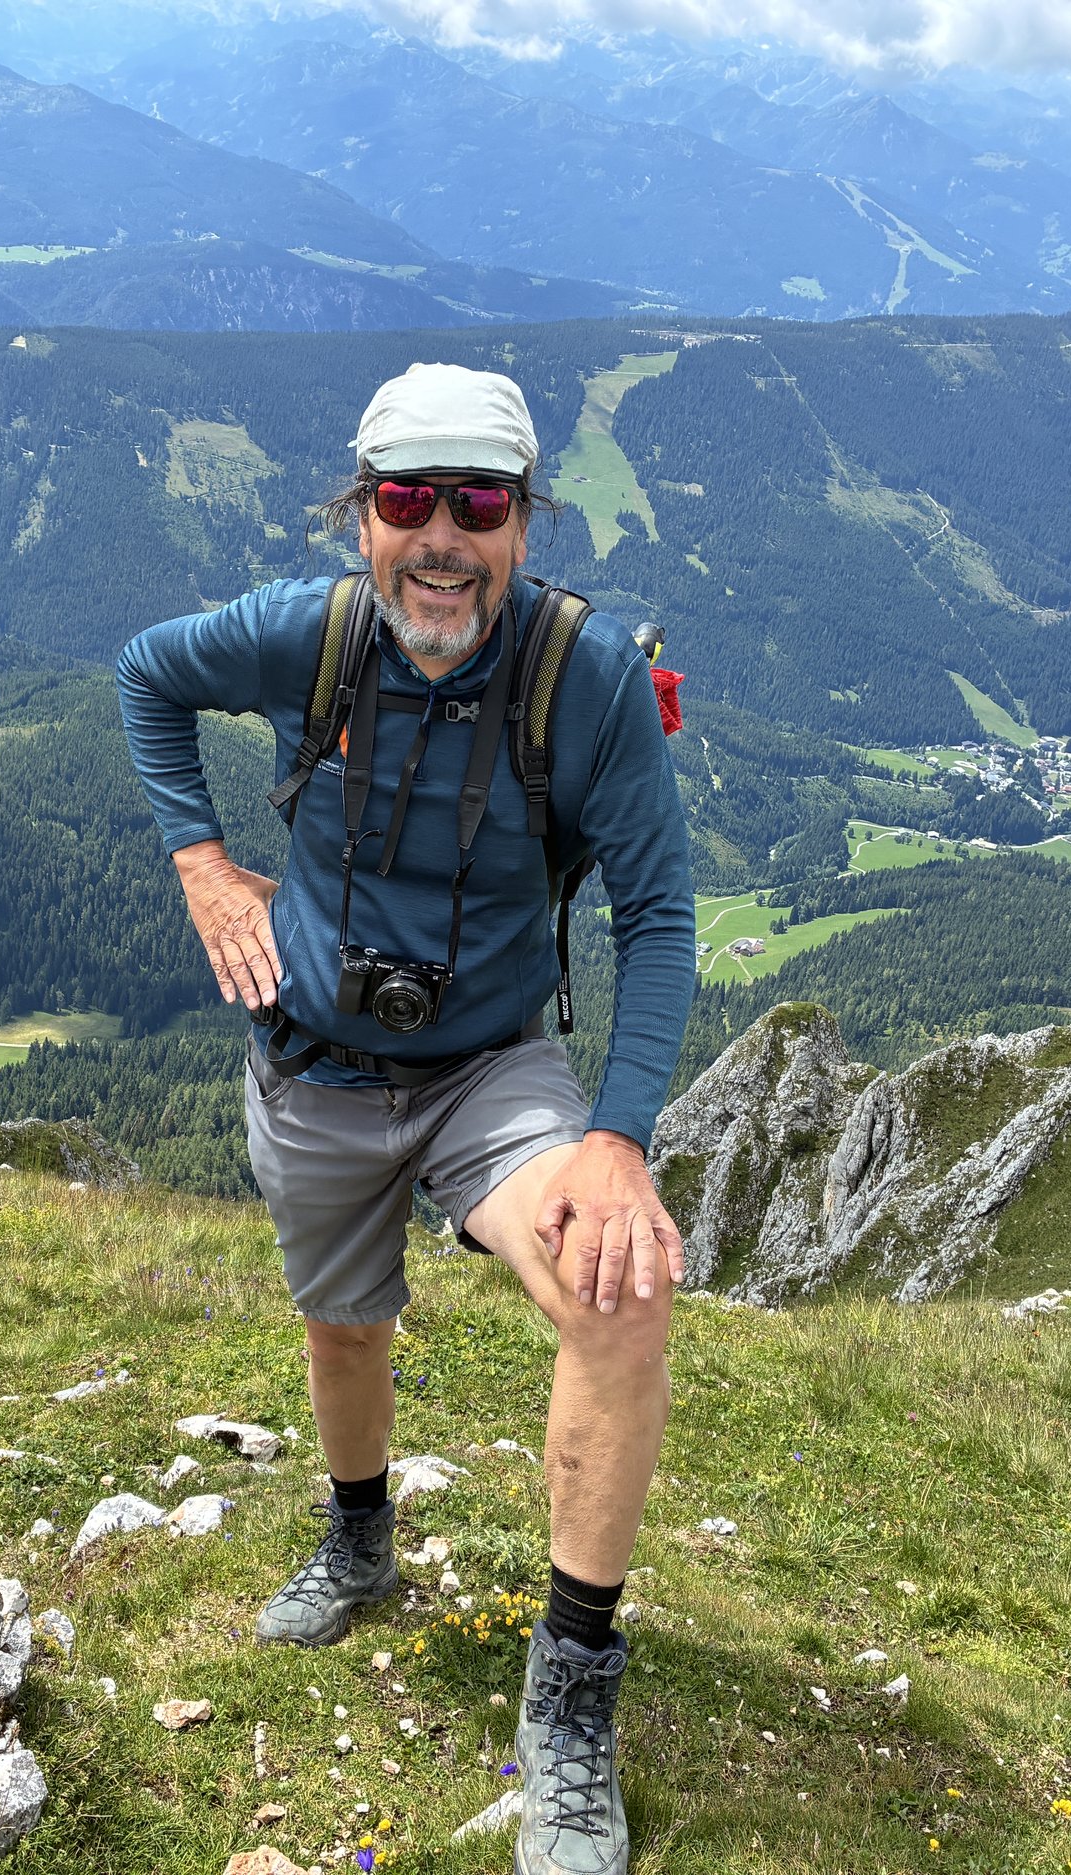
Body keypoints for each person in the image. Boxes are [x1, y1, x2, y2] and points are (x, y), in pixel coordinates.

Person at [116, 362, 695, 1875]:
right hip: (311, 1054)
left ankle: (570, 1703)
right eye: (406, 501)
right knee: (344, 1323)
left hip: (493, 1072)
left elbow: (663, 917)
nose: (442, 538)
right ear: (362, 513)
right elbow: (144, 674)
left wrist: (619, 1136)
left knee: (620, 1291)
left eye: (479, 503)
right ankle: (361, 1541)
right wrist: (201, 864)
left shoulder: (587, 678)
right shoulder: (308, 636)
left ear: (523, 518)